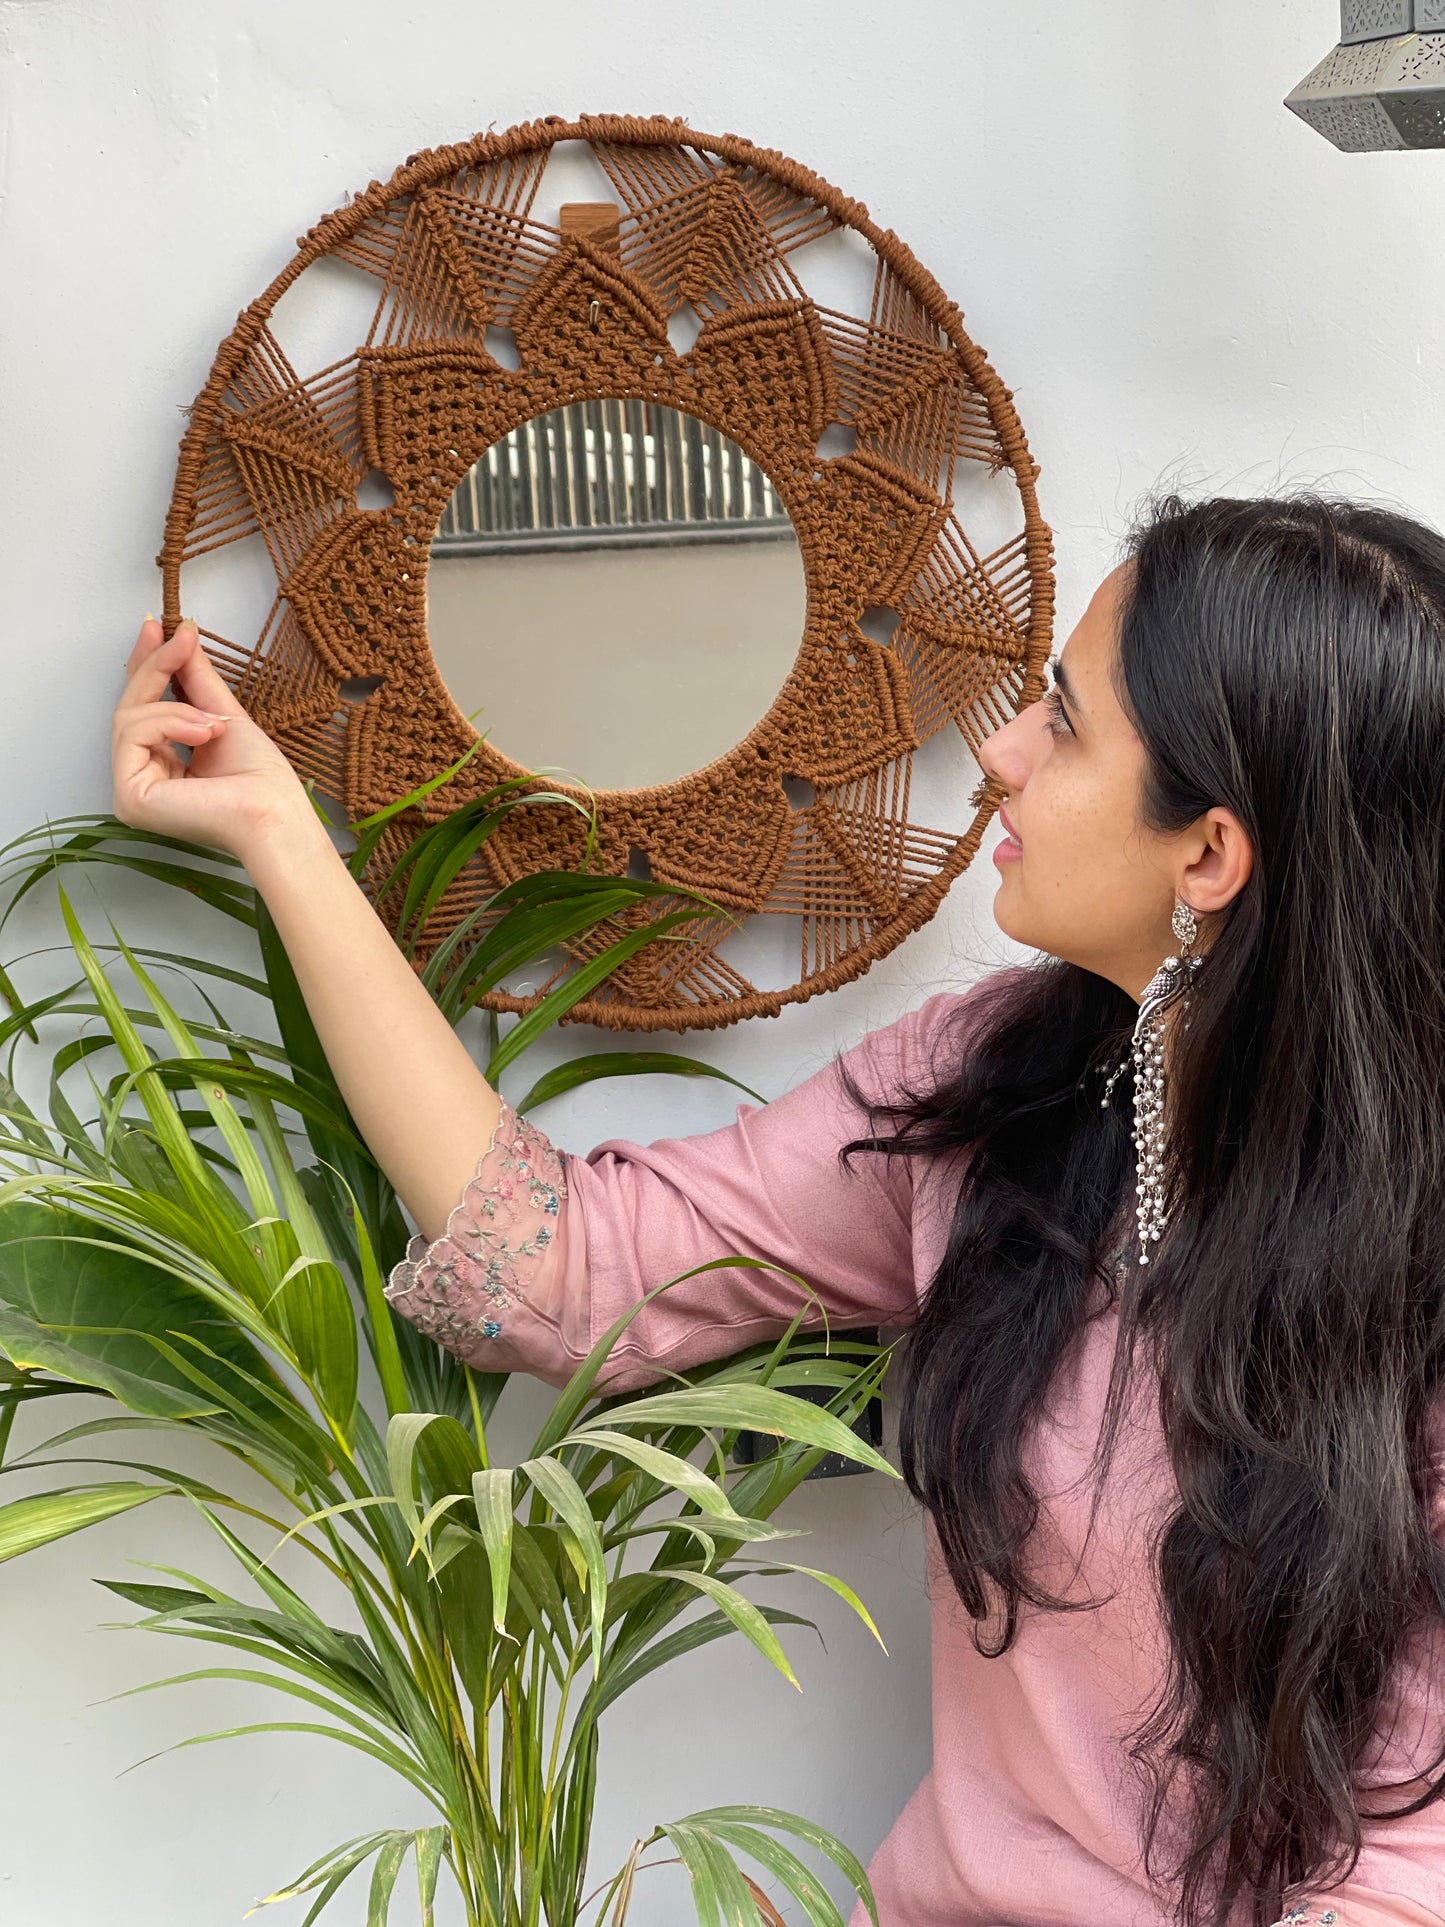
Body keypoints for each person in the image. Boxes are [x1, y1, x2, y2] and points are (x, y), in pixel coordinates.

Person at [109, 493, 1445, 1927]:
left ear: (1205, 859)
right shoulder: (995, 1094)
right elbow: (558, 1268)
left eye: (1059, 723)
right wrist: (276, 834)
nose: (994, 752)